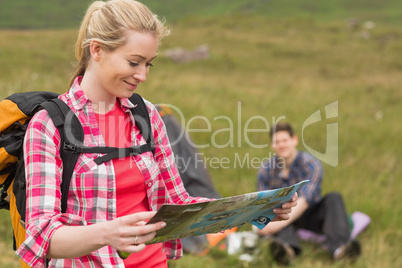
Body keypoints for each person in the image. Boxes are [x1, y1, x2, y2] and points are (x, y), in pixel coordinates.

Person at [15, 1, 297, 267]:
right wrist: (107, 233)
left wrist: (257, 207)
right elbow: (42, 236)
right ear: (97, 50)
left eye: (149, 63)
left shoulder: (146, 115)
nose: (143, 75)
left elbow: (178, 205)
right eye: (134, 62)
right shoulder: (50, 124)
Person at [256, 122, 361, 265]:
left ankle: (340, 250)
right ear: (272, 146)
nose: (281, 145)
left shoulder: (311, 164)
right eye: (277, 142)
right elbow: (262, 204)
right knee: (277, 209)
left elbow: (305, 200)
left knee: (334, 198)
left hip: (310, 213)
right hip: (283, 213)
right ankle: (287, 251)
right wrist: (261, 224)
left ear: (294, 140)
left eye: (285, 140)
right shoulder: (265, 170)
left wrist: (275, 226)